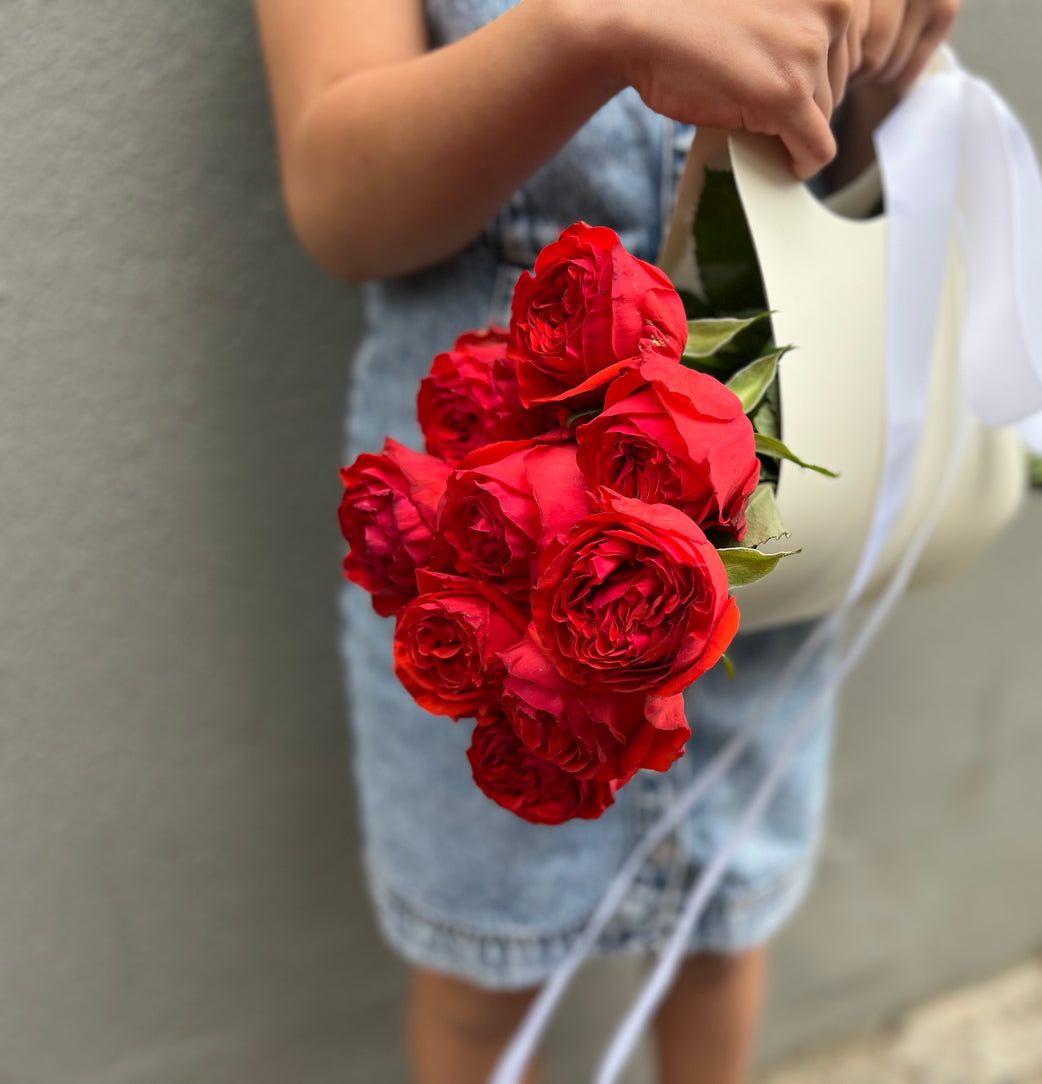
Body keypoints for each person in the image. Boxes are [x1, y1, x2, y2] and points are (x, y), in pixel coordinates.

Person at [254, 1, 958, 1080]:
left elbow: (855, 157)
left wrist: (882, 52)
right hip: (489, 539)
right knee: (487, 971)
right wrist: (590, 31)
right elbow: (343, 203)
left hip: (760, 483)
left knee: (716, 932)